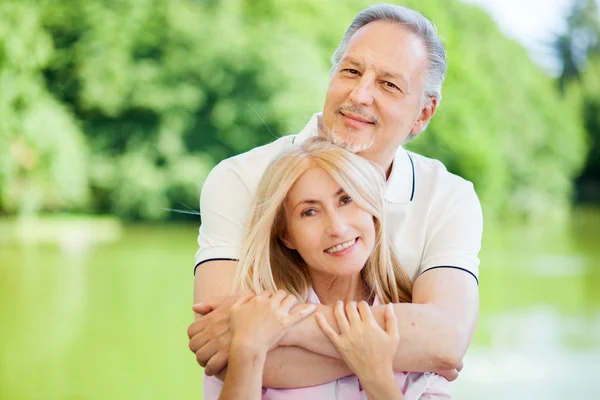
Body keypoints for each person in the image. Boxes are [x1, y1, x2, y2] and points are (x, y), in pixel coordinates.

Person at [188, 3, 482, 389]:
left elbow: (444, 342)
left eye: (389, 85)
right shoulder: (240, 179)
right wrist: (401, 354)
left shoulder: (449, 198)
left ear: (424, 113)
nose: (360, 94)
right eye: (351, 71)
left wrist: (276, 327)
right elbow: (225, 353)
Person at [206, 138, 451, 399]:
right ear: (286, 235)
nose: (337, 227)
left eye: (346, 199)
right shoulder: (251, 321)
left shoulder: (417, 332)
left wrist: (376, 375)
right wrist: (247, 349)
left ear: (372, 207)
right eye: (309, 212)